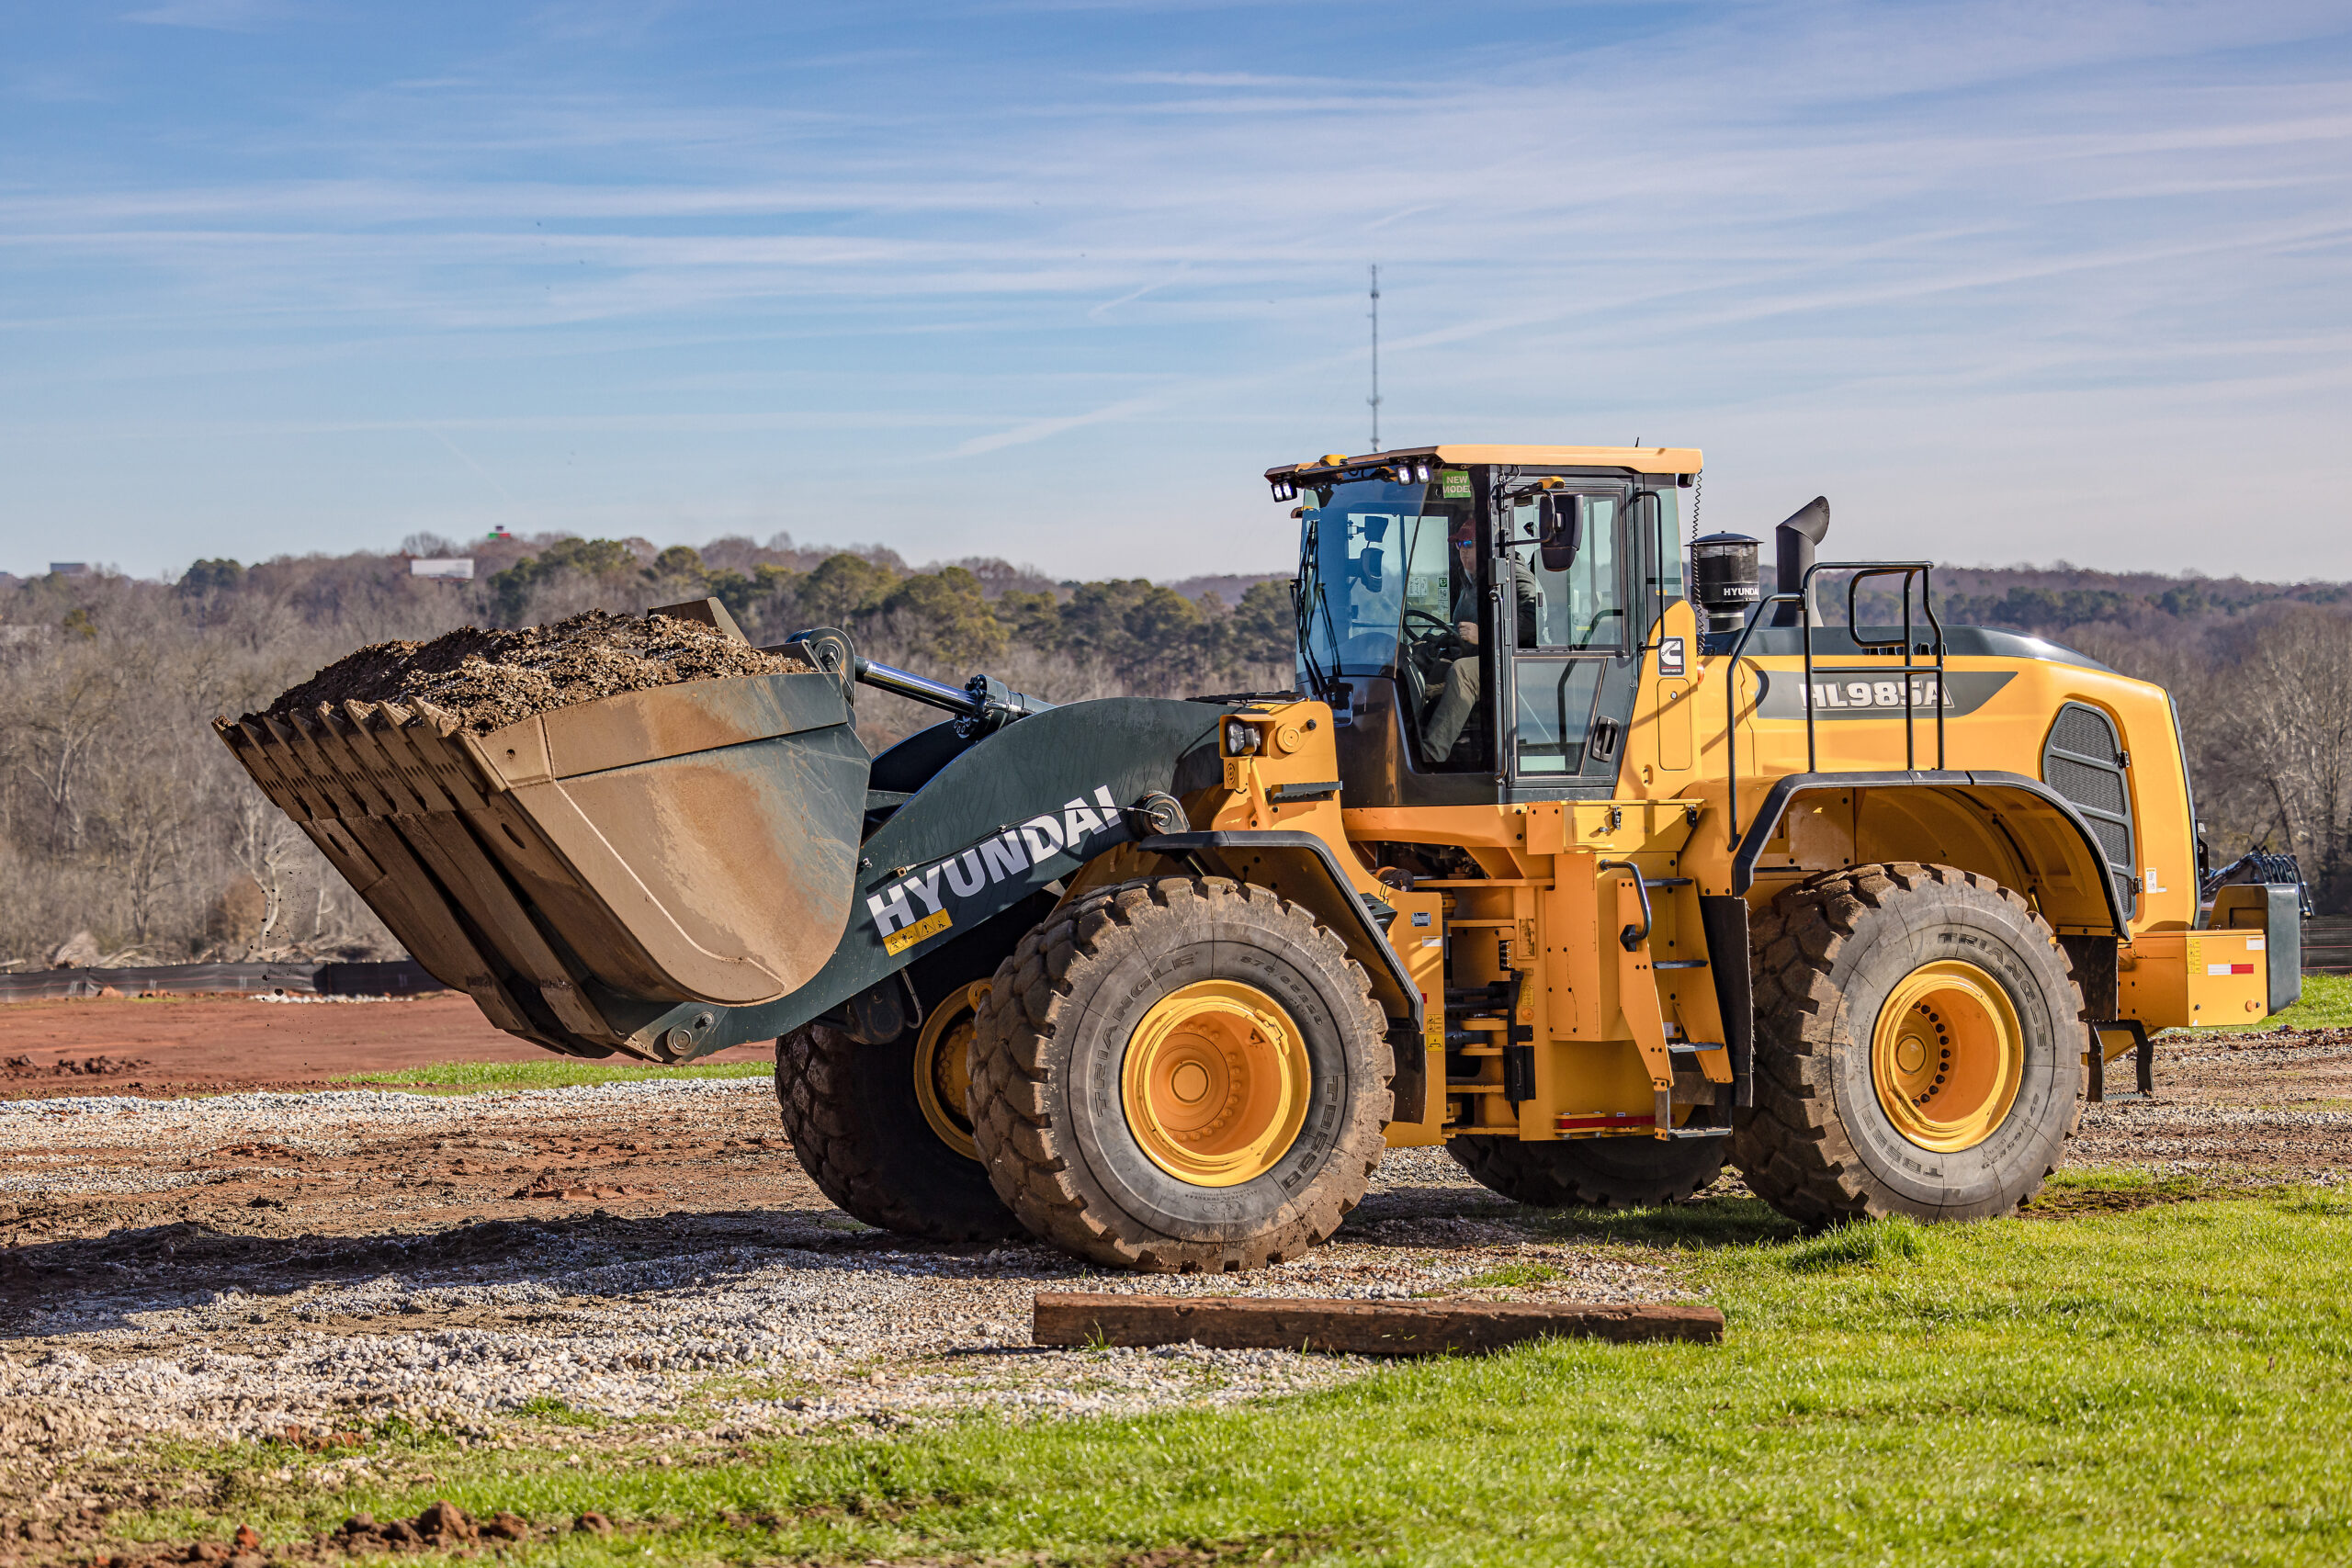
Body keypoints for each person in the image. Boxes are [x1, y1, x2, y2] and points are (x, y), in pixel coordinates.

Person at [1421, 517, 1539, 764]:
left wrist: (1483, 634)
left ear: (1487, 546)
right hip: (1483, 657)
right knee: (1416, 666)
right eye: (1459, 546)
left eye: (1469, 544)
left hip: (1513, 662)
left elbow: (1532, 623)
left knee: (1462, 672)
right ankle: (1410, 743)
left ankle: (1431, 755)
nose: (1463, 551)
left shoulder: (1515, 576)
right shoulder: (1471, 582)